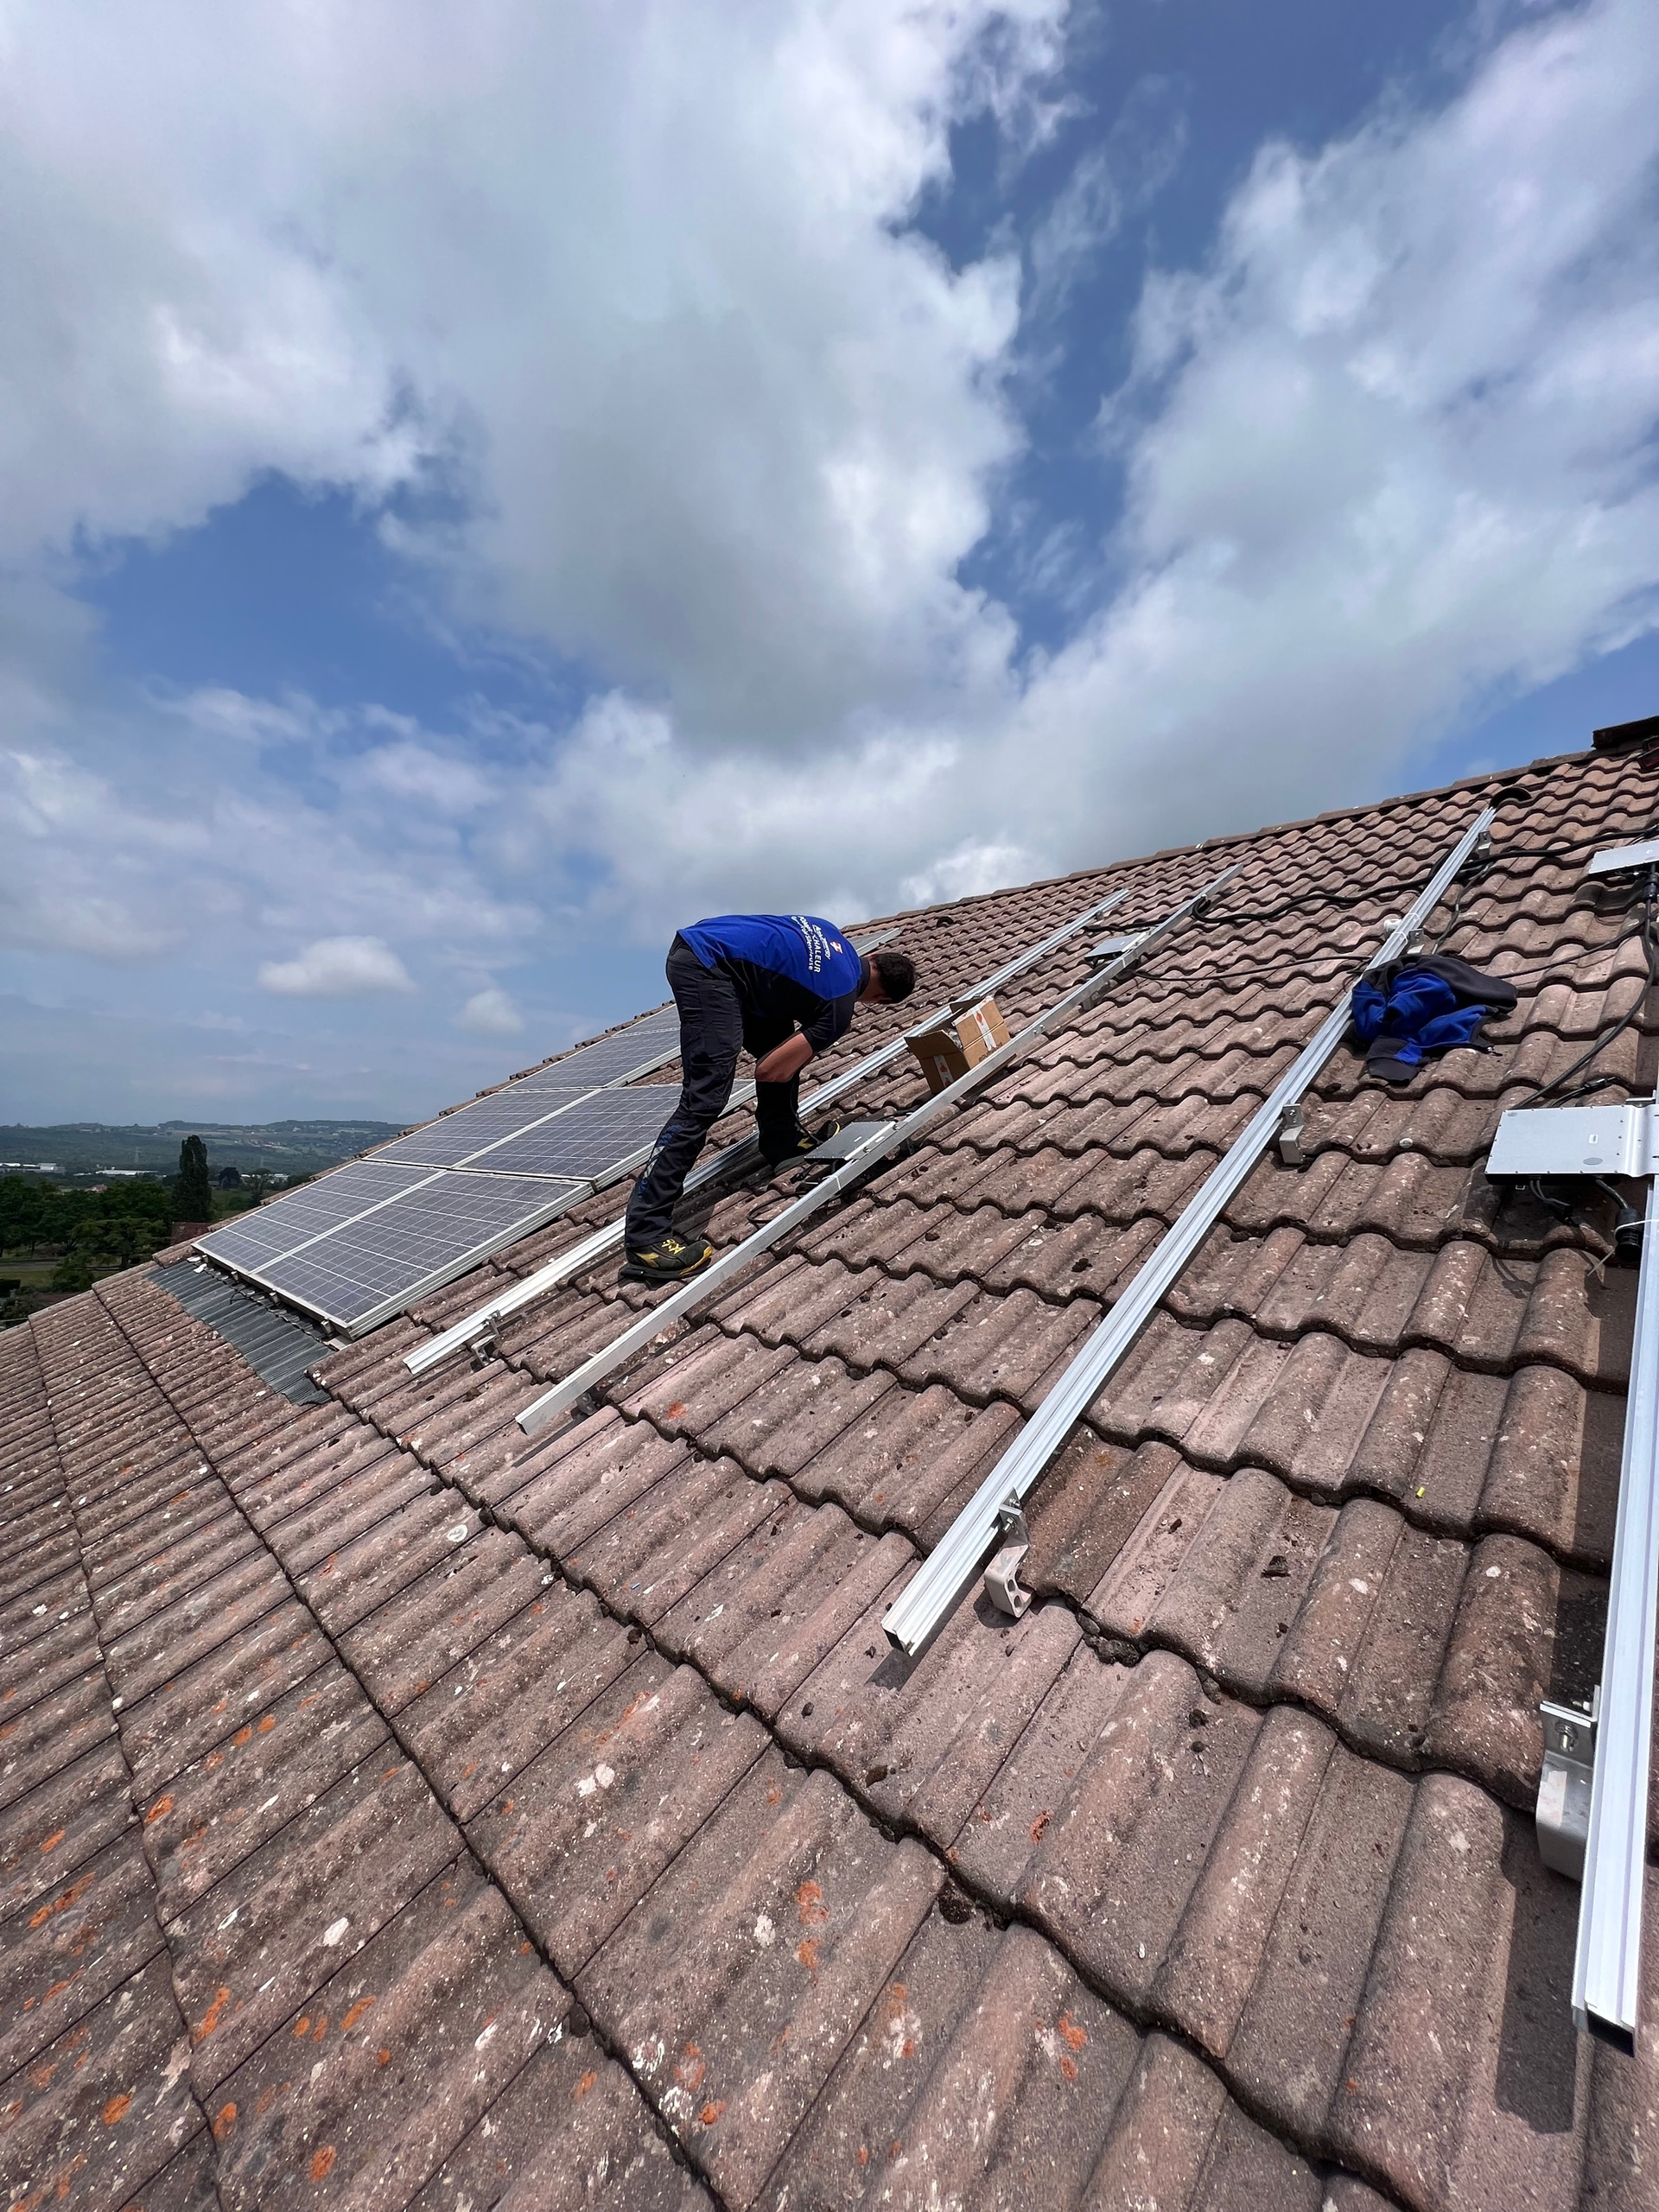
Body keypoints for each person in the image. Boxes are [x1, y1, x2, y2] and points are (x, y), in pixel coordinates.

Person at [623, 913, 916, 1281]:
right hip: (709, 967)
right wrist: (796, 1054)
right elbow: (769, 1070)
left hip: (712, 948)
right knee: (705, 1098)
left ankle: (782, 1143)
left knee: (780, 1037)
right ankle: (646, 1235)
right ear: (882, 999)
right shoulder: (840, 1006)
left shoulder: (831, 933)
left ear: (872, 957)